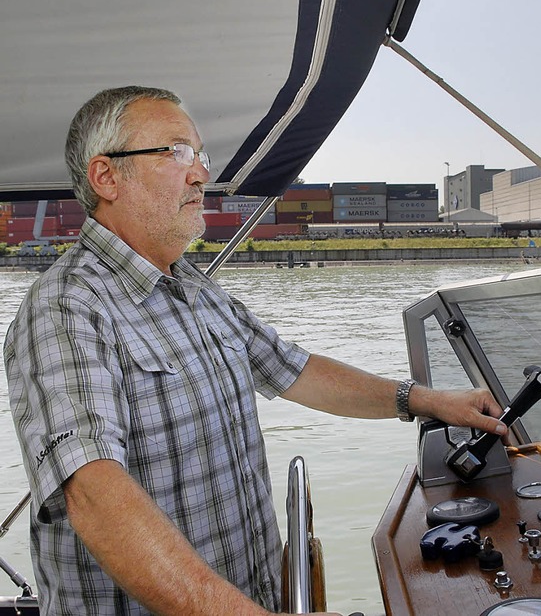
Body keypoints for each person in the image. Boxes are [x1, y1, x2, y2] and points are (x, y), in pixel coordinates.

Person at [4, 86, 507, 616]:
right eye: (175, 152)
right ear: (106, 177)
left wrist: (426, 400)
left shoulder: (193, 289)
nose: (200, 173)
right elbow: (94, 494)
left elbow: (296, 370)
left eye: (200, 155)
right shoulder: (65, 308)